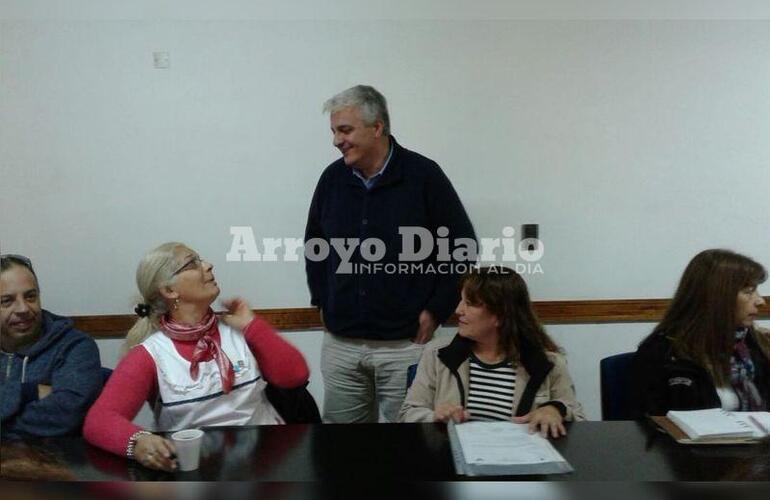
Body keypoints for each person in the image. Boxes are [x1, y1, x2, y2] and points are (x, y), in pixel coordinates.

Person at [305, 84, 476, 423]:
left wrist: (436, 309)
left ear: (377, 127)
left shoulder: (423, 175)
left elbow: (461, 246)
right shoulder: (333, 179)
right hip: (342, 345)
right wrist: (321, 301)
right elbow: (316, 246)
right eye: (334, 131)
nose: (337, 141)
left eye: (345, 130)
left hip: (406, 346)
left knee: (409, 451)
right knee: (344, 453)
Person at [83, 242, 310, 472]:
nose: (209, 266)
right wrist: (138, 442)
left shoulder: (238, 329)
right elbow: (99, 421)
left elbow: (295, 376)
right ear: (170, 291)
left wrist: (252, 326)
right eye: (193, 263)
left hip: (265, 461)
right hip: (196, 469)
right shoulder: (151, 354)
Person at [399, 266, 585, 437]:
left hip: (520, 466)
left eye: (470, 303)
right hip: (452, 462)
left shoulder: (547, 363)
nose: (458, 310)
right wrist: (434, 417)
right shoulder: (437, 354)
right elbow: (408, 413)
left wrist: (555, 409)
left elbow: (578, 419)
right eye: (461, 301)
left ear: (501, 315)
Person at [632, 249, 770, 417]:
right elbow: (653, 426)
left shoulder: (752, 344)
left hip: (757, 440)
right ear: (717, 297)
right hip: (692, 443)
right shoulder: (663, 353)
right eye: (748, 291)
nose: (760, 301)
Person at [0, 254, 102, 439]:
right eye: (7, 301)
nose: (23, 309)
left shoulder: (75, 346)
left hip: (61, 462)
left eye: (30, 296)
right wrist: (29, 392)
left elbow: (67, 414)